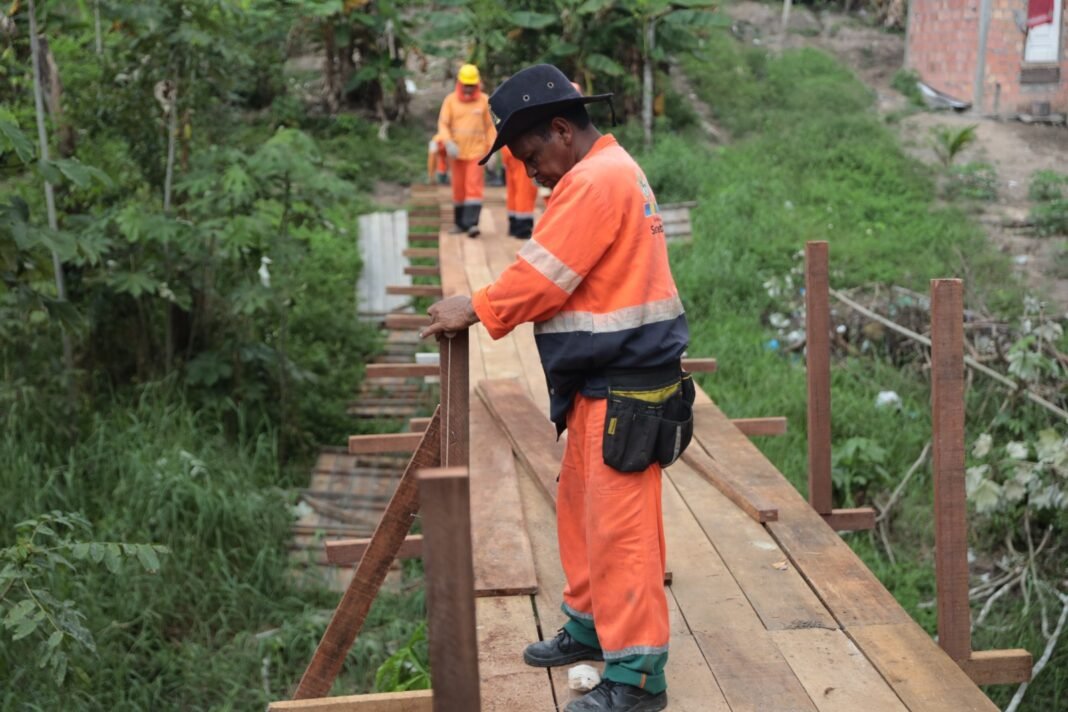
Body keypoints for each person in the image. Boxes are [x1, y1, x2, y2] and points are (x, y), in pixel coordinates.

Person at [420, 64, 691, 712]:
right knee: (581, 510)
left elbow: (542, 277)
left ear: (562, 131)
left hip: (624, 385)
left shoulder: (592, 182)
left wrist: (475, 306)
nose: (531, 171)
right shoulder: (611, 169)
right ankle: (589, 627)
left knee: (623, 537)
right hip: (605, 383)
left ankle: (636, 681)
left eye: (530, 155)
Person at [436, 63, 496, 237]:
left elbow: (491, 128)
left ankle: (471, 224)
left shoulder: (484, 101)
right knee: (458, 189)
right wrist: (447, 142)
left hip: (477, 152)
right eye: (466, 85)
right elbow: (443, 124)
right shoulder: (450, 101)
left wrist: (492, 151)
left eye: (472, 86)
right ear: (459, 83)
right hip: (456, 153)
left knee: (473, 188)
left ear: (477, 84)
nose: (469, 89)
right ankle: (459, 223)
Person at [500, 145, 537, 238]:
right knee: (524, 190)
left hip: (508, 149)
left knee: (513, 190)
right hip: (523, 150)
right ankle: (522, 228)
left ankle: (514, 226)